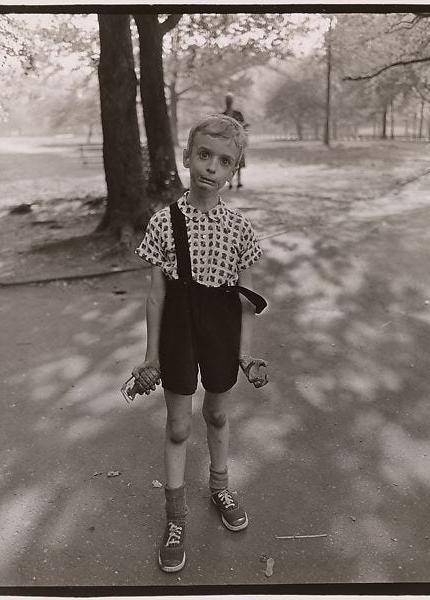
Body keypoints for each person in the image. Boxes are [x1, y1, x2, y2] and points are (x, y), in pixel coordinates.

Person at [128, 114, 269, 573]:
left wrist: (246, 353)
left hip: (222, 331)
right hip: (178, 331)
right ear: (187, 157)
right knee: (178, 427)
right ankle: (174, 518)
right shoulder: (163, 223)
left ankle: (220, 486)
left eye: (224, 160)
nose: (211, 166)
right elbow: (155, 295)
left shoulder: (241, 230)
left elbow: (247, 300)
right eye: (204, 155)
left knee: (217, 413)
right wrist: (151, 356)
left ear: (235, 170)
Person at [222, 93, 247, 189]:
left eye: (230, 100)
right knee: (228, 162)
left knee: (238, 162)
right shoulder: (223, 115)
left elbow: (243, 126)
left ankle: (239, 181)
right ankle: (230, 182)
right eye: (227, 100)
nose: (229, 102)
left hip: (238, 141)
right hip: (227, 143)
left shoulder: (238, 114)